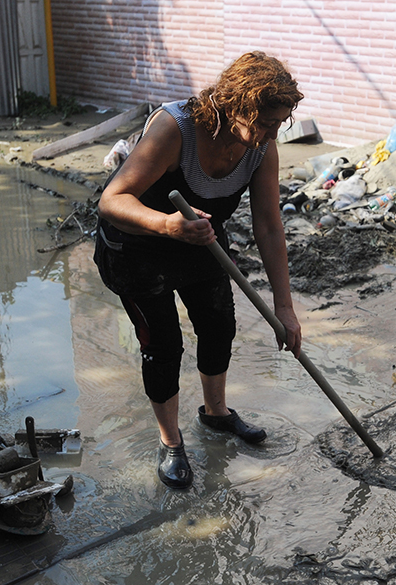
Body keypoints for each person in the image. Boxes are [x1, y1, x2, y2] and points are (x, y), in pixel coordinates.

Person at [93, 51, 304, 489]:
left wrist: (285, 308)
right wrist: (167, 225)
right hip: (138, 243)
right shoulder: (176, 129)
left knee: (218, 323)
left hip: (199, 238)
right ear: (235, 104)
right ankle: (170, 441)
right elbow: (112, 201)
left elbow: (267, 224)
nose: (270, 134)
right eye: (264, 123)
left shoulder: (261, 148)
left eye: (277, 125)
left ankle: (216, 414)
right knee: (164, 343)